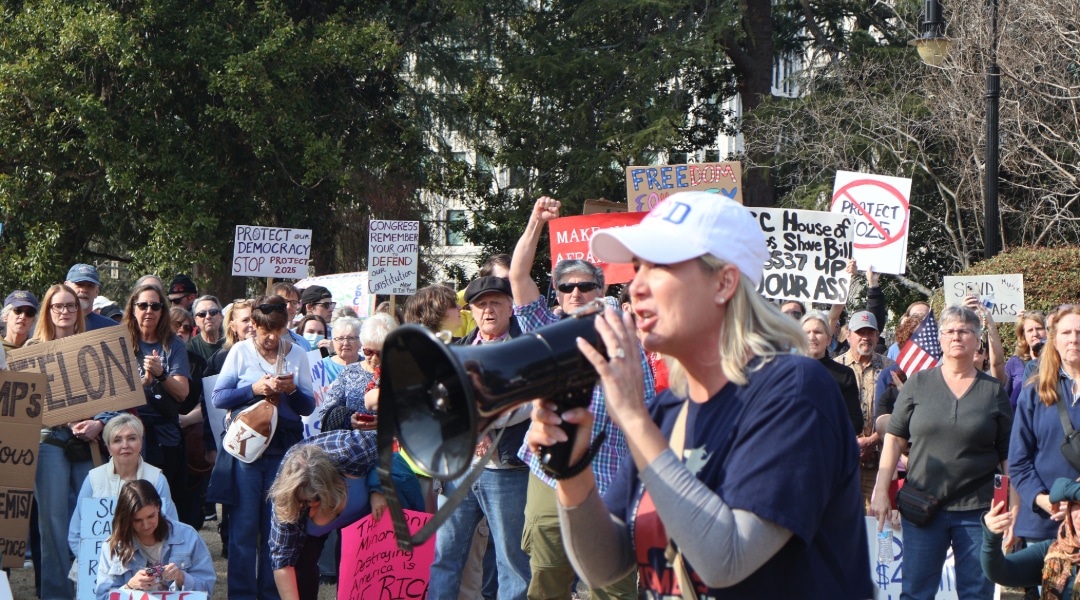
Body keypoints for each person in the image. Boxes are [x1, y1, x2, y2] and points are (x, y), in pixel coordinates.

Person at [526, 191, 872, 597]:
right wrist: (571, 471)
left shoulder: (794, 390)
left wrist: (633, 418)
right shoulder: (667, 410)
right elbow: (605, 565)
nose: (635, 286)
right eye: (636, 268)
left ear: (724, 282)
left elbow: (726, 560)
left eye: (658, 267)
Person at [511, 196, 657, 600]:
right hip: (550, 472)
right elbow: (519, 276)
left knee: (611, 587)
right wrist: (535, 222)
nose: (575, 292)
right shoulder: (544, 329)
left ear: (602, 287)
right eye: (566, 286)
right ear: (556, 294)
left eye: (584, 285)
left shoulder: (628, 333)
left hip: (613, 476)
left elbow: (644, 409)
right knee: (547, 576)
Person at [872, 305, 1012, 600]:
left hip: (978, 511)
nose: (957, 337)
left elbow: (1007, 455)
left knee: (977, 593)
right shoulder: (918, 384)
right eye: (949, 331)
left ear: (977, 340)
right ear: (940, 337)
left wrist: (1012, 507)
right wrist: (881, 489)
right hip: (923, 507)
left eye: (965, 331)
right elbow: (895, 439)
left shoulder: (993, 391)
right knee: (916, 593)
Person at [426, 275, 533, 600]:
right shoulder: (454, 351)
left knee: (511, 561)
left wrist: (483, 427)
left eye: (496, 302)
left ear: (511, 307)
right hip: (460, 470)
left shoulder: (525, 349)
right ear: (471, 309)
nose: (489, 310)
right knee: (444, 557)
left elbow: (529, 401)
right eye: (481, 304)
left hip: (507, 472)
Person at [210, 294, 315, 600]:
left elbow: (307, 406)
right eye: (265, 330)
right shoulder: (240, 352)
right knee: (243, 526)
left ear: (286, 326)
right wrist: (253, 389)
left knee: (276, 527)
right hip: (247, 450)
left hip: (283, 450)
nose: (271, 337)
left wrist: (291, 388)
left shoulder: (297, 354)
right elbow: (219, 397)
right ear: (252, 325)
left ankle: (270, 594)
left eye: (278, 330)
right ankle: (241, 595)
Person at [30, 283, 114, 600]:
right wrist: (64, 416)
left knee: (95, 519)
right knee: (52, 523)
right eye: (58, 306)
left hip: (90, 443)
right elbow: (25, 405)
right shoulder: (31, 351)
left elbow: (114, 397)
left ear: (79, 311)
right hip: (48, 441)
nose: (64, 312)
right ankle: (56, 594)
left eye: (70, 306)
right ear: (48, 311)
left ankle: (93, 592)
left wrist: (99, 422)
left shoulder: (95, 346)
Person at [268, 429, 422, 600]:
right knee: (302, 571)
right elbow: (282, 562)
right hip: (311, 531)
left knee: (367, 574)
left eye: (317, 499)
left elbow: (385, 444)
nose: (311, 505)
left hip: (366, 516)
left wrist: (378, 487)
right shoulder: (286, 504)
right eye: (305, 503)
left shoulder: (351, 450)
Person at [1009, 306, 1080, 550]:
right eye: (1066, 333)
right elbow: (1018, 461)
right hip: (1044, 525)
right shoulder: (1034, 391)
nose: (1073, 339)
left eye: (1079, 332)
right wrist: (1044, 500)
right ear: (1054, 340)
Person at [68, 414, 179, 561]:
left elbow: (171, 529)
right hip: (99, 570)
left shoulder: (157, 479)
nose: (125, 445)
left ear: (141, 442)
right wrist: (92, 565)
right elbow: (76, 533)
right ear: (108, 446)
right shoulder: (93, 479)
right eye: (117, 440)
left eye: (132, 438)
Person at [123, 284, 192, 506]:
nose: (149, 310)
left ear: (163, 311)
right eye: (143, 305)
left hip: (164, 437)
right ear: (133, 309)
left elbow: (182, 393)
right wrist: (143, 384)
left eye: (155, 305)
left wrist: (161, 374)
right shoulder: (120, 342)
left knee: (161, 502)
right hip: (128, 432)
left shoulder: (173, 345)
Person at [94, 480, 215, 598]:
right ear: (127, 519)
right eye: (137, 520)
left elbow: (206, 590)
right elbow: (103, 596)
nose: (146, 525)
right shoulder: (114, 546)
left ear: (158, 507)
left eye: (151, 516)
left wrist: (181, 577)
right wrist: (129, 587)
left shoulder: (189, 537)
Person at [835, 309, 894, 511]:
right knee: (843, 518)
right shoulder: (835, 367)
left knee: (875, 521)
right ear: (848, 335)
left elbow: (899, 413)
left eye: (870, 333)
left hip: (879, 463)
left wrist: (874, 439)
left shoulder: (891, 369)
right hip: (842, 462)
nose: (865, 338)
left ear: (877, 336)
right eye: (860, 333)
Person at [981, 477, 1080, 597]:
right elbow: (999, 572)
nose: (1079, 515)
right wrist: (992, 538)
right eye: (1075, 505)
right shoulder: (1053, 551)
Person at [801, 311, 862, 434]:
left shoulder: (844, 374)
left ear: (828, 339)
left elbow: (855, 422)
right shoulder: (788, 373)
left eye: (817, 332)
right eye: (807, 332)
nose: (812, 337)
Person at [1006, 311, 1048, 408]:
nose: (1035, 334)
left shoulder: (1059, 360)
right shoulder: (1014, 362)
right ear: (1023, 335)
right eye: (1030, 330)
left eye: (1039, 328)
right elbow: (1004, 397)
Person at [66, 263, 119, 330]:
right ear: (66, 286)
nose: (84, 290)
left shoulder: (111, 329)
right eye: (79, 284)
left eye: (90, 286)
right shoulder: (51, 325)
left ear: (97, 291)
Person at [272, 282, 312, 351]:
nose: (289, 307)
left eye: (294, 303)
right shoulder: (260, 339)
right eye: (284, 302)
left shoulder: (304, 343)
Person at [187, 295, 225, 361]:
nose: (208, 317)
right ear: (195, 320)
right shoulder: (189, 347)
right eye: (202, 314)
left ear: (221, 317)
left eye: (213, 312)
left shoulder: (232, 343)